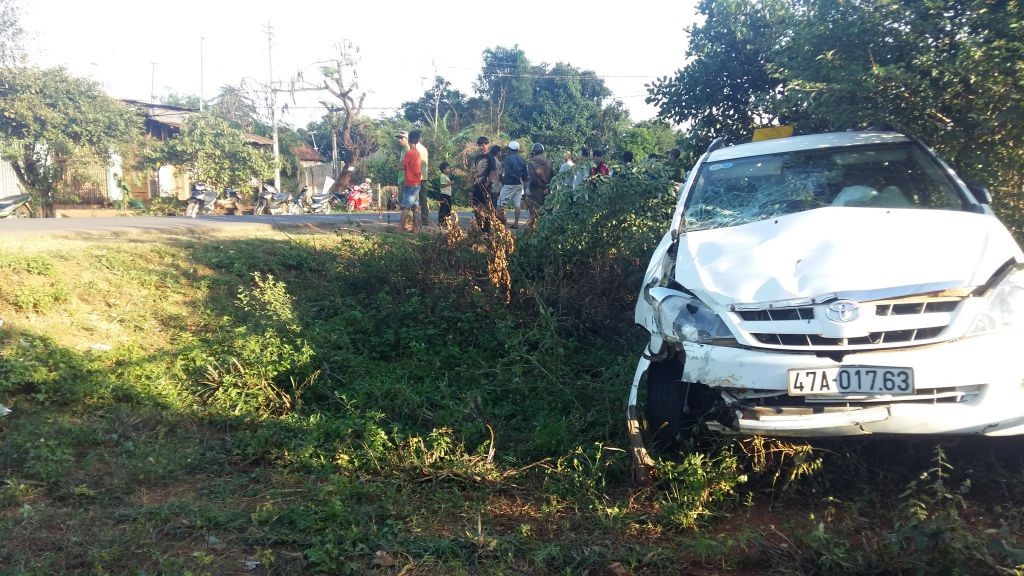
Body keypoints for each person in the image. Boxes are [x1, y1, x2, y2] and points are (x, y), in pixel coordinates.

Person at [497, 140, 529, 229]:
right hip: (519, 184)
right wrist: (521, 179)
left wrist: (504, 181)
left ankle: (499, 223)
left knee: (500, 203)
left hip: (509, 184)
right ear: (517, 149)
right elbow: (525, 174)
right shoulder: (522, 159)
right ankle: (516, 223)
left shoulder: (507, 159)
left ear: (509, 149)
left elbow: (508, 172)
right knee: (517, 204)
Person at [525, 142, 554, 230]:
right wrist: (547, 188)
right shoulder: (549, 162)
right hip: (548, 191)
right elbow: (553, 177)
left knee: (534, 215)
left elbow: (533, 180)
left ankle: (535, 235)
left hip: (536, 191)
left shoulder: (531, 163)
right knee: (547, 213)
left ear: (533, 152)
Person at [399, 130, 423, 233]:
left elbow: (400, 166)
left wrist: (402, 165)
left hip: (410, 183)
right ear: (417, 141)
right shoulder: (417, 153)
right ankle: (416, 229)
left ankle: (399, 229)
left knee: (405, 207)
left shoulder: (409, 153)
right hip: (417, 183)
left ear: (408, 141)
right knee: (415, 207)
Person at [472, 140, 497, 231]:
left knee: (486, 208)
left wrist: (487, 183)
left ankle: (487, 230)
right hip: (476, 185)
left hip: (485, 187)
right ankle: (480, 227)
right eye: (479, 145)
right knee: (476, 207)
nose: (481, 147)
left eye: (482, 145)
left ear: (487, 145)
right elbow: (475, 170)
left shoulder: (489, 157)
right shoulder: (477, 157)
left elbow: (493, 171)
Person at [416, 135, 430, 225]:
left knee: (414, 200)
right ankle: (425, 220)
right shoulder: (424, 149)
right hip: (424, 177)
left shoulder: (413, 148)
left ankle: (414, 221)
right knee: (423, 200)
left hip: (416, 177)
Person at [437, 161, 454, 227]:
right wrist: (450, 183)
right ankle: (440, 221)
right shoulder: (442, 176)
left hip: (448, 194)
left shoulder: (446, 176)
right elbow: (442, 185)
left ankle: (446, 221)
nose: (449, 170)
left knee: (448, 208)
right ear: (444, 170)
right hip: (444, 195)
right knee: (443, 208)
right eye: (448, 168)